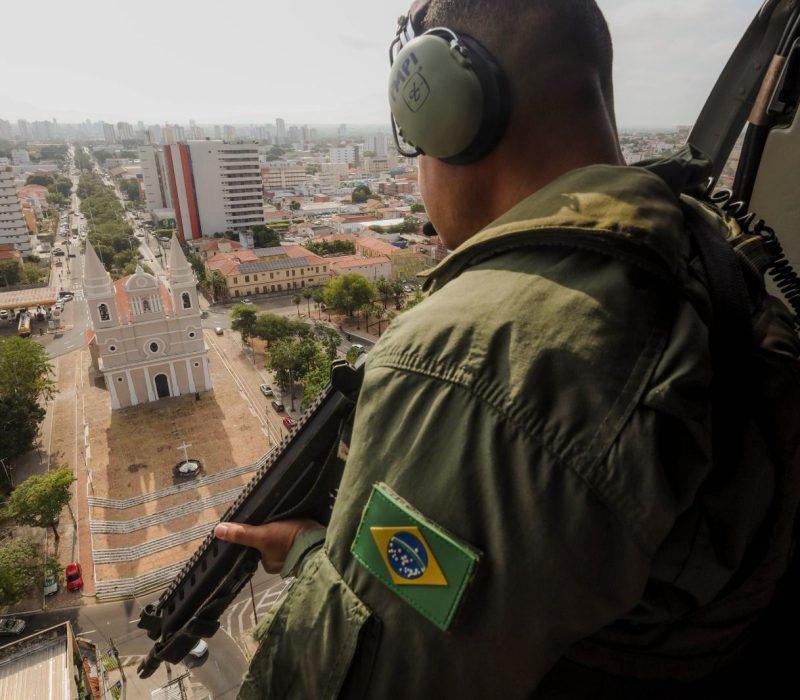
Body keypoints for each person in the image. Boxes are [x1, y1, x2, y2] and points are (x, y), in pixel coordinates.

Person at [214, 1, 800, 698]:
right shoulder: (705, 250)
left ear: (447, 114)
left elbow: (355, 679)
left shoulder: (466, 363)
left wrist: (312, 552)